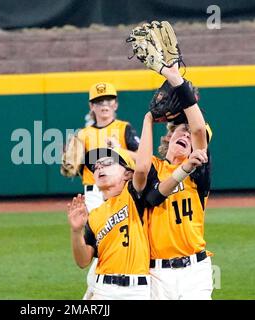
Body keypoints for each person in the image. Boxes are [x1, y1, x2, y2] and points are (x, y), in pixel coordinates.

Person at [66, 109, 207, 299]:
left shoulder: (135, 196)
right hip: (103, 288)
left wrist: (149, 119)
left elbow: (141, 168)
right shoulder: (95, 216)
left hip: (137, 290)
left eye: (107, 162)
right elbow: (83, 261)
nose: (99, 167)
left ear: (126, 173)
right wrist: (75, 232)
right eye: (95, 166)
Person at [67, 82, 140, 299]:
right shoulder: (83, 134)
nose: (104, 105)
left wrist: (121, 149)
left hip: (120, 191)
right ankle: (98, 289)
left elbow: (142, 162)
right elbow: (72, 168)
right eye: (99, 101)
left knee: (114, 240)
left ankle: (96, 290)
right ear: (92, 106)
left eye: (108, 100)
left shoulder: (124, 128)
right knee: (99, 241)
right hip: (92, 194)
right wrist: (69, 164)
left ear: (116, 103)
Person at [147, 64, 214, 300]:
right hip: (156, 273)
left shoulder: (199, 172)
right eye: (181, 129)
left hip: (195, 271)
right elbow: (153, 197)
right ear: (169, 134)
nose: (187, 134)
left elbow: (198, 129)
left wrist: (176, 79)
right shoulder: (152, 167)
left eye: (192, 134)